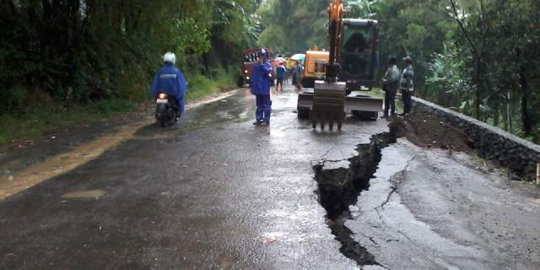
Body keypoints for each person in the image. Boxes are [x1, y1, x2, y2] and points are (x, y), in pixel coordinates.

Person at [151, 52, 187, 120]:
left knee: (159, 101)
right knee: (180, 101)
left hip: (161, 93)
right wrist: (180, 94)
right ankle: (179, 112)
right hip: (173, 94)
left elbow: (155, 84)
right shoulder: (176, 71)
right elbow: (181, 85)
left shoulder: (160, 71)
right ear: (173, 60)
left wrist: (155, 94)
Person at [250, 49, 273, 126]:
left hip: (265, 88)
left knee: (266, 104)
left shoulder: (267, 64)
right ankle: (258, 119)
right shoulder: (255, 65)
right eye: (260, 56)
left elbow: (268, 72)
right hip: (257, 88)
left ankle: (266, 120)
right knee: (259, 105)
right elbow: (253, 76)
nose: (262, 57)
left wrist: (262, 65)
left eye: (263, 56)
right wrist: (252, 86)